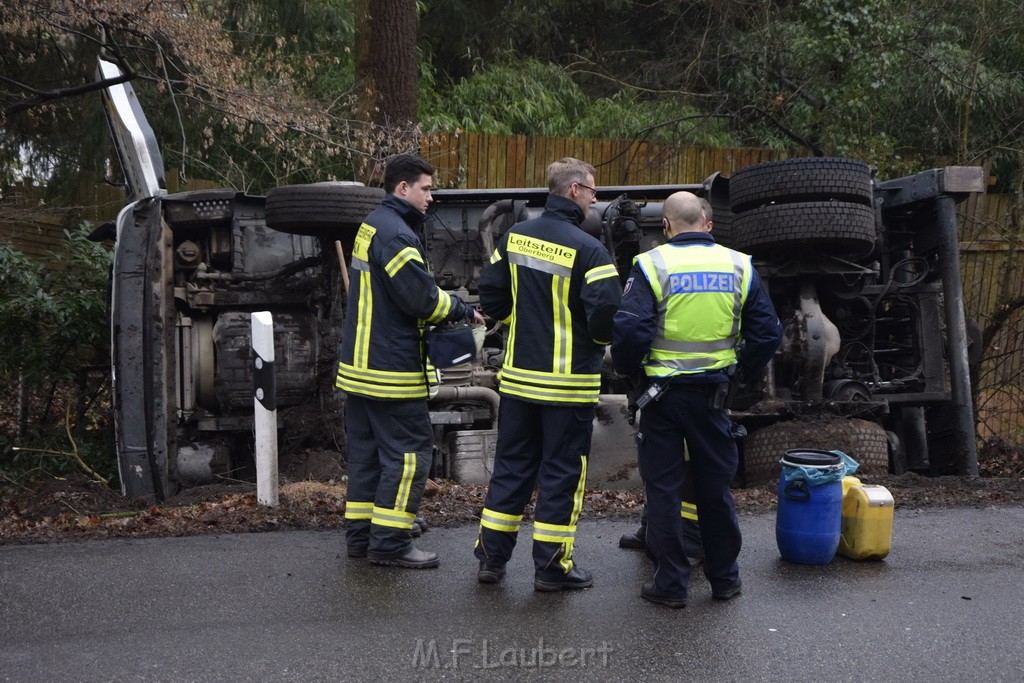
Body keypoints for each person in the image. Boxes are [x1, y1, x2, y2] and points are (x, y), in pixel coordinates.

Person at [612, 191, 781, 607]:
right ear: (707, 222)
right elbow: (767, 333)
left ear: (666, 225)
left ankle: (671, 585)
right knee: (715, 490)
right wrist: (739, 374)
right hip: (714, 397)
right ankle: (725, 580)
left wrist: (633, 376)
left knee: (665, 490)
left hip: (662, 398)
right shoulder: (739, 265)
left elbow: (631, 333)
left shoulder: (651, 265)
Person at [474, 158, 623, 591]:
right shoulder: (591, 249)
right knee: (561, 473)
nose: (595, 199)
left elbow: (492, 294)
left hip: (519, 381)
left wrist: (518, 317)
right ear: (574, 190)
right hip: (568, 385)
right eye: (593, 191)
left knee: (512, 468)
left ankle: (491, 561)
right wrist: (594, 343)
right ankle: (552, 569)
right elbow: (607, 318)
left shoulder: (515, 236)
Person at [338, 153, 485, 569]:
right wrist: (461, 309)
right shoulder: (397, 235)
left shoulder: (373, 224)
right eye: (426, 188)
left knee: (367, 459)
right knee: (407, 458)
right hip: (391, 371)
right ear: (403, 188)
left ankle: (362, 537)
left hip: (362, 369)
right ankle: (390, 543)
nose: (431, 197)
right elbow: (420, 299)